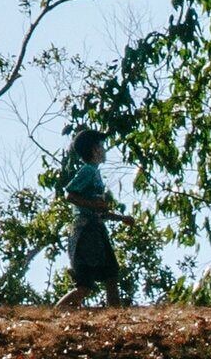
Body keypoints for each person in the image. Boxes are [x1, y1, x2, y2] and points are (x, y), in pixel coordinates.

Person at [56, 124, 128, 309]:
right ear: (94, 149)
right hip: (87, 231)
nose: (104, 150)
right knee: (87, 284)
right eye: (101, 146)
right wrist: (93, 204)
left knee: (110, 273)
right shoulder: (88, 170)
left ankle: (115, 316)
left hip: (96, 229)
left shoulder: (95, 172)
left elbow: (99, 210)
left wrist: (121, 218)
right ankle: (57, 312)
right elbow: (69, 194)